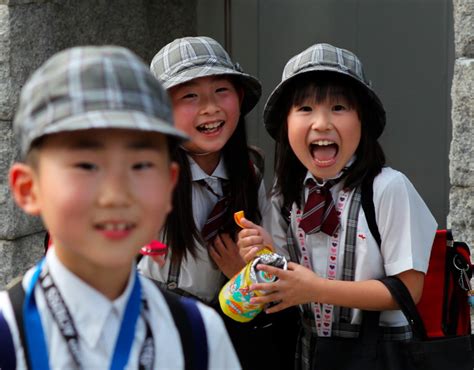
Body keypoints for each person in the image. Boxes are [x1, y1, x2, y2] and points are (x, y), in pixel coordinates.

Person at [0, 45, 240, 369]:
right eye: (86, 165)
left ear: (170, 183)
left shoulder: (199, 336)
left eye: (141, 165)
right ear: (29, 189)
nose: (116, 195)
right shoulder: (8, 338)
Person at [237, 43, 438, 369]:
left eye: (339, 107)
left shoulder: (387, 188)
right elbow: (287, 279)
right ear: (286, 125)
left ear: (363, 121)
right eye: (304, 109)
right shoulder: (285, 196)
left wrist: (316, 289)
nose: (321, 123)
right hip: (310, 353)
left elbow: (408, 290)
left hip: (382, 355)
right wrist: (263, 251)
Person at [138, 36, 298, 369]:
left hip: (225, 335)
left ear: (239, 97)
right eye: (190, 96)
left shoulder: (249, 171)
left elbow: (266, 269)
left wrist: (244, 272)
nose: (210, 108)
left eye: (221, 91)